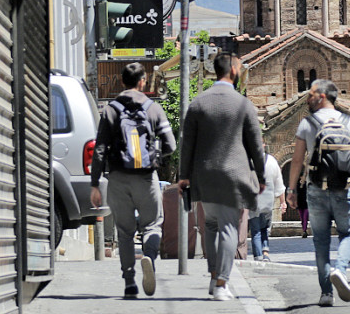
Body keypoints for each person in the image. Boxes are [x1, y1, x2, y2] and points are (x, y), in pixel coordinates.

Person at [178, 52, 266, 301]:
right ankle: (221, 283)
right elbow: (255, 145)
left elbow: (187, 144)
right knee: (229, 227)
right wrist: (260, 176)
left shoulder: (198, 103)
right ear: (233, 70)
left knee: (210, 225)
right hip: (233, 178)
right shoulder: (243, 104)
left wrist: (183, 176)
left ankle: (213, 273)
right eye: (238, 66)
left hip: (203, 177)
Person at [90, 62, 177, 299]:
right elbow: (171, 145)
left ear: (121, 81)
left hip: (117, 178)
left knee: (125, 232)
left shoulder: (110, 109)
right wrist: (153, 156)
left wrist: (95, 184)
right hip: (146, 178)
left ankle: (129, 283)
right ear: (143, 81)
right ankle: (148, 254)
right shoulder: (153, 108)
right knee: (152, 225)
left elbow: (99, 149)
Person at [286, 79, 350, 307]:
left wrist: (291, 189)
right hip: (344, 190)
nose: (308, 97)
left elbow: (296, 160)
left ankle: (326, 293)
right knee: (349, 234)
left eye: (311, 93)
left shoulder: (308, 123)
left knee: (321, 241)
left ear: (322, 96)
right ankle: (340, 270)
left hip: (316, 189)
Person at [249, 141, 286, 261]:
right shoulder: (272, 161)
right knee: (264, 228)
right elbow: (279, 183)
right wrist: (282, 201)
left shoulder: (248, 160)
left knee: (255, 230)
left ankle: (258, 256)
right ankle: (265, 253)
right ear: (264, 145)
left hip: (253, 200)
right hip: (268, 201)